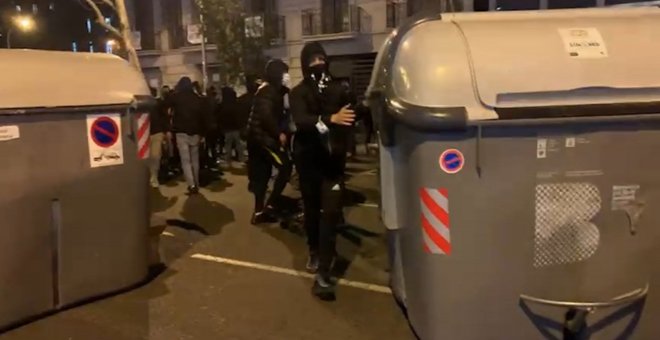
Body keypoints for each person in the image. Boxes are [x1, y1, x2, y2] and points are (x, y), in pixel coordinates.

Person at [290, 42, 355, 300]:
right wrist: (329, 120)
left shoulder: (338, 89)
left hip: (332, 165)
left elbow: (352, 114)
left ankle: (324, 274)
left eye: (321, 58)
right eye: (313, 60)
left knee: (330, 212)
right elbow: (301, 121)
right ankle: (314, 249)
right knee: (311, 209)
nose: (318, 63)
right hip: (307, 162)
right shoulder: (298, 92)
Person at [246, 59, 293, 225]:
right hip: (264, 140)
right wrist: (278, 133)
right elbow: (266, 115)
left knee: (262, 176)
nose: (286, 77)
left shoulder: (268, 90)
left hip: (256, 140)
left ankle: (259, 212)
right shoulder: (268, 91)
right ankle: (271, 204)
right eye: (284, 73)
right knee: (286, 167)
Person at [171, 77, 211, 195]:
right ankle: (196, 182)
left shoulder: (177, 97)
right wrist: (203, 133)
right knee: (195, 160)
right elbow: (204, 118)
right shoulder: (198, 99)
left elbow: (164, 103)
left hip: (181, 132)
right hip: (196, 133)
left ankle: (191, 185)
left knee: (185, 160)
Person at [148, 86, 171, 188]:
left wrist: (166, 131)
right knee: (155, 156)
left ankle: (153, 177)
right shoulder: (159, 103)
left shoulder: (157, 104)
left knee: (155, 157)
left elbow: (164, 118)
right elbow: (165, 118)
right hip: (156, 132)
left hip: (154, 133)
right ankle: (153, 178)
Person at [219, 86, 245, 167]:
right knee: (238, 144)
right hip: (236, 127)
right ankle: (241, 158)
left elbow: (221, 116)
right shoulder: (236, 103)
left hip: (227, 127)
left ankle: (228, 159)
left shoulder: (223, 104)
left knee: (228, 144)